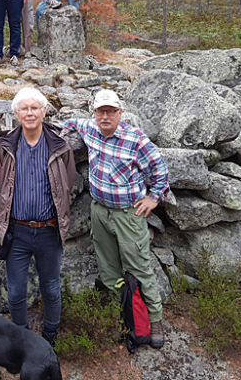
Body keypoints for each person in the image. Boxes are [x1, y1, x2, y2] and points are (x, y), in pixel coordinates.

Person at [61, 89, 170, 349]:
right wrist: (61, 129)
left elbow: (160, 170)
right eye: (101, 111)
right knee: (108, 266)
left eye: (111, 111)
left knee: (139, 267)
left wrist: (154, 198)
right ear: (95, 114)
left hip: (128, 215)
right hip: (100, 211)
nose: (105, 116)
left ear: (120, 113)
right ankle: (122, 311)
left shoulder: (135, 140)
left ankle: (154, 321)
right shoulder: (90, 129)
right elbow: (72, 123)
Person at [0, 87, 75, 347]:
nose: (29, 113)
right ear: (16, 113)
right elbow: (3, 183)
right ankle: (22, 339)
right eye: (24, 108)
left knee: (51, 288)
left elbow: (68, 183)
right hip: (16, 232)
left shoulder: (60, 146)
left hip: (48, 231)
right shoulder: (8, 146)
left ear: (43, 111)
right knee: (16, 292)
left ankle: (50, 338)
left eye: (34, 107)